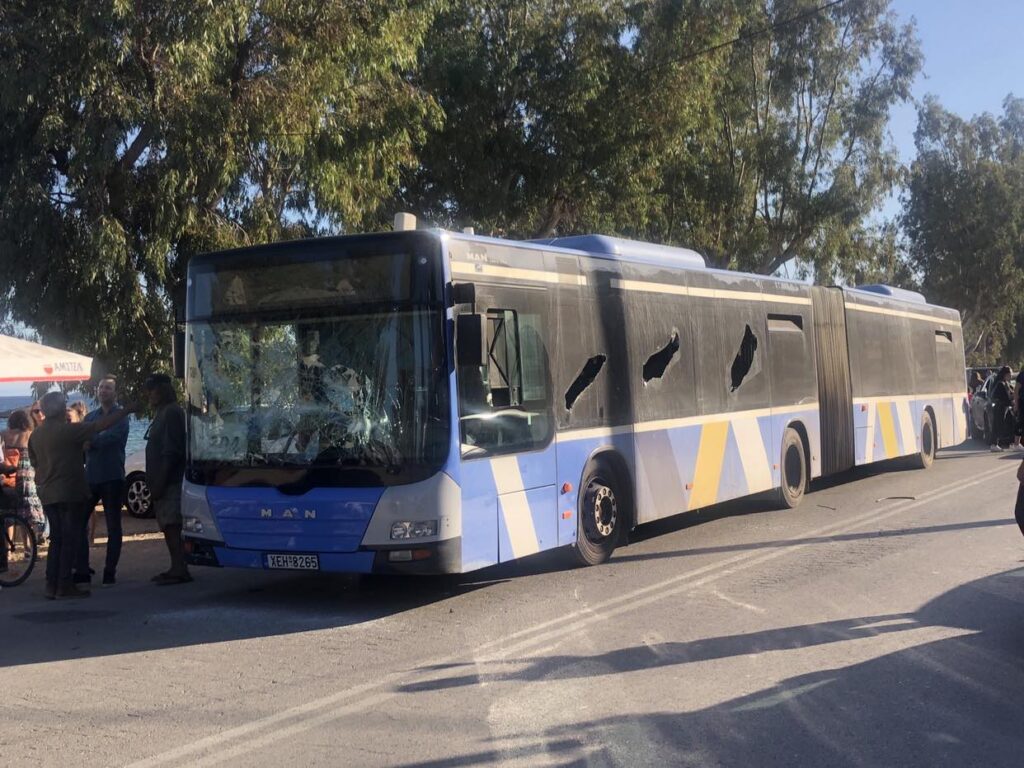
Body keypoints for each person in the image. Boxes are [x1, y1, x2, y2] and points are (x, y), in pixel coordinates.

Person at [28, 391, 136, 599]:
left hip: (48, 493)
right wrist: (126, 411)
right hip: (69, 491)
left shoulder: (36, 435)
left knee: (56, 539)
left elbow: (36, 465)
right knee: (69, 538)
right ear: (60, 410)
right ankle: (64, 585)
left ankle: (51, 584)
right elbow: (100, 425)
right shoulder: (69, 431)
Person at [74, 376, 130, 586]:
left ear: (115, 393)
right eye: (101, 387)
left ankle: (109, 571)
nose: (103, 391)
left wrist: (92, 440)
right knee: (79, 522)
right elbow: (82, 439)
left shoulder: (121, 416)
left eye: (107, 388)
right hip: (91, 477)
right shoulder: (91, 417)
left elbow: (112, 438)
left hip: (113, 477)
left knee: (113, 526)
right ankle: (82, 569)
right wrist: (88, 440)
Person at [144, 373, 191, 585]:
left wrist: (160, 482)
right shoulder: (163, 412)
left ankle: (179, 568)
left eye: (153, 390)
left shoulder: (171, 412)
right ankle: (176, 566)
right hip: (163, 479)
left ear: (163, 391)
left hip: (170, 481)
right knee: (167, 524)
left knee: (172, 524)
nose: (150, 395)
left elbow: (172, 451)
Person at [2, 409, 47, 540]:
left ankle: (8, 546)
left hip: (9, 474)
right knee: (27, 513)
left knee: (9, 513)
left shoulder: (3, 434)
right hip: (27, 475)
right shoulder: (31, 434)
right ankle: (28, 546)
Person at [989, 366, 1014, 452]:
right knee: (997, 425)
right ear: (1005, 374)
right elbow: (1006, 397)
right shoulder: (1001, 384)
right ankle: (994, 444)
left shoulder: (1006, 383)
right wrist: (1012, 400)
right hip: (1000, 407)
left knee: (999, 425)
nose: (1011, 376)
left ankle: (995, 444)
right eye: (1010, 374)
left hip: (1003, 407)